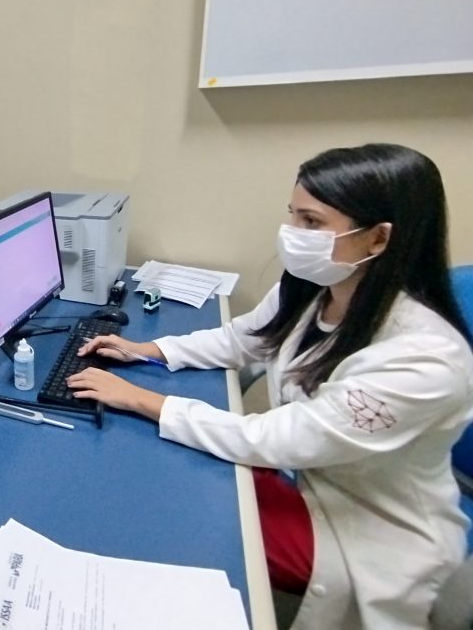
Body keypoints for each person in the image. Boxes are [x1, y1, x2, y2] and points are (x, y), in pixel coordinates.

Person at [68, 144, 473, 630]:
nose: (292, 234)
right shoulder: (316, 288)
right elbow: (242, 339)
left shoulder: (425, 359)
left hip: (369, 530)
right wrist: (146, 350)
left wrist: (140, 398)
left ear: (378, 238)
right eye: (293, 215)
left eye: (311, 221)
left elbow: (277, 439)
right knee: (175, 475)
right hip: (309, 478)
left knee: (189, 518)